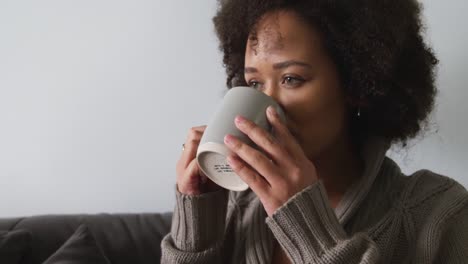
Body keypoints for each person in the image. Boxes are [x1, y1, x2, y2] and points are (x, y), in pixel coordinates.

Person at [161, 0, 468, 263]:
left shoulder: (439, 215)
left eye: (291, 79)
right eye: (254, 84)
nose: (266, 106)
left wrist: (305, 225)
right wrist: (196, 232)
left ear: (356, 85)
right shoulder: (234, 204)